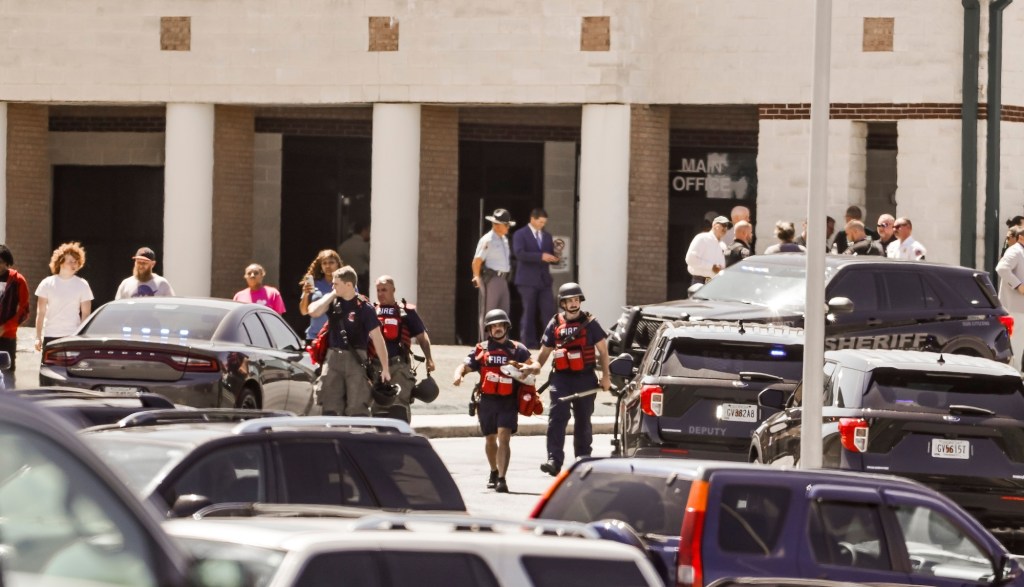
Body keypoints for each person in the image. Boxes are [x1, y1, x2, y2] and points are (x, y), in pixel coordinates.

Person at [533, 283, 610, 477]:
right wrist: (534, 368)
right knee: (556, 418)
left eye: (577, 300)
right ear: (563, 303)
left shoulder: (591, 323)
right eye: (570, 300)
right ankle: (553, 460)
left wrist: (606, 377)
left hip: (585, 378)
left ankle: (582, 462)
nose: (574, 304)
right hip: (561, 379)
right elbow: (545, 351)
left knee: (583, 421)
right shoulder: (555, 323)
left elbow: (603, 351)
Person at [453, 309, 532, 493]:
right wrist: (458, 375)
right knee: (490, 439)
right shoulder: (481, 349)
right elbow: (465, 366)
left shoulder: (517, 349)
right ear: (488, 329)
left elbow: (533, 364)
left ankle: (502, 479)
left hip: (508, 401)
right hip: (487, 401)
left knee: (504, 437)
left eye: (500, 325)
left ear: (506, 327)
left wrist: (529, 368)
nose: (497, 329)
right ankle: (494, 471)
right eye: (493, 326)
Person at [307, 266, 390, 416]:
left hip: (356, 360)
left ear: (349, 285)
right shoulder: (333, 302)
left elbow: (378, 338)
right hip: (333, 358)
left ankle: (356, 437)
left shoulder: (364, 308)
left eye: (336, 284)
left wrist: (385, 368)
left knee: (357, 406)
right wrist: (332, 294)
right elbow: (313, 311)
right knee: (330, 404)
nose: (333, 286)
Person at [371, 275, 435, 421]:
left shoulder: (405, 311)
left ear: (393, 290)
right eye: (378, 290)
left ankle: (401, 440)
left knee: (398, 407)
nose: (381, 293)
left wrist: (429, 359)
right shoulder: (371, 311)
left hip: (399, 367)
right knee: (378, 408)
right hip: (376, 368)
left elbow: (422, 337)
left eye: (384, 290)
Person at [511, 208, 559, 349]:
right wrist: (540, 256)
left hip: (544, 281)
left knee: (548, 312)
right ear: (532, 219)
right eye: (540, 222)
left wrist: (555, 257)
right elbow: (519, 254)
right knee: (529, 312)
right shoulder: (520, 234)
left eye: (544, 222)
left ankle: (550, 342)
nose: (542, 225)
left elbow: (549, 256)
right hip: (527, 280)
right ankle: (528, 344)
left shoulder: (547, 236)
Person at [34, 242, 94, 352]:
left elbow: (86, 314)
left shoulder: (83, 284)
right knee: (49, 368)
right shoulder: (46, 283)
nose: (74, 264)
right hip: (51, 335)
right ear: (60, 262)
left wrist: (81, 336)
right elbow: (40, 312)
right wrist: (38, 337)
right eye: (70, 261)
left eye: (76, 261)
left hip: (72, 335)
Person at [472, 208, 515, 339]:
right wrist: (476, 276)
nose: (508, 227)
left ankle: (502, 342)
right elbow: (477, 260)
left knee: (503, 312)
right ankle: (485, 343)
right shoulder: (488, 239)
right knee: (488, 312)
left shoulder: (504, 240)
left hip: (503, 279)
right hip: (491, 279)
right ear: (496, 225)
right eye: (506, 224)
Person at [0, 245, 29, 387]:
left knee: (7, 372)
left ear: (6, 262)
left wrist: (6, 327)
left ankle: (9, 405)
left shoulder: (18, 280)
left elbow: (24, 311)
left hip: (8, 336)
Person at [298, 249, 342, 343]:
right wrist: (305, 294)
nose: (328, 266)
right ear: (321, 267)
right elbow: (304, 311)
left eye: (331, 262)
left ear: (338, 264)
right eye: (324, 263)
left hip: (338, 337)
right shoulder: (313, 284)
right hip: (315, 337)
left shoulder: (346, 284)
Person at [997, 226, 1024, 370]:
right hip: (1015, 308)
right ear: (1021, 237)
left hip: (1020, 308)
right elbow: (1002, 268)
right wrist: (1018, 285)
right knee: (1016, 345)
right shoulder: (1015, 251)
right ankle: (1013, 376)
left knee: (1019, 345)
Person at [685, 215, 729, 285]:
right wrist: (711, 267)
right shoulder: (702, 238)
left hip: (716, 282)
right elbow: (690, 259)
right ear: (714, 225)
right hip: (700, 281)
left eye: (727, 226)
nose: (725, 228)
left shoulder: (723, 245)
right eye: (723, 225)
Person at [338, 223, 370, 294]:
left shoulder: (343, 246)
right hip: (362, 281)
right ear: (363, 230)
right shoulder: (364, 246)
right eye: (368, 230)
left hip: (346, 280)